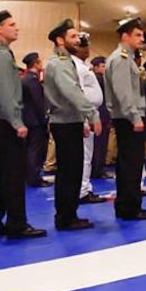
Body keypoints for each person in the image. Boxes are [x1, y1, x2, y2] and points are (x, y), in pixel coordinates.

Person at [0, 10, 46, 239]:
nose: (16, 28)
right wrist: (17, 122)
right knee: (13, 175)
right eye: (11, 24)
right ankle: (17, 224)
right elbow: (5, 92)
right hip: (3, 121)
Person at [43, 19, 100, 231]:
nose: (78, 40)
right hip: (65, 122)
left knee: (72, 171)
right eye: (73, 36)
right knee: (69, 171)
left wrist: (82, 119)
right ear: (60, 40)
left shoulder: (66, 62)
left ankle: (69, 214)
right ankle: (66, 217)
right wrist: (91, 114)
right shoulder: (59, 63)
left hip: (71, 120)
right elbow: (71, 92)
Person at [105, 18, 146, 221]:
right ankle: (130, 207)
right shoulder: (121, 59)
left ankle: (128, 205)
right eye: (137, 34)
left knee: (130, 163)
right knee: (131, 164)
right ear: (125, 36)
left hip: (127, 117)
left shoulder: (126, 58)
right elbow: (123, 92)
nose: (141, 38)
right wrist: (135, 117)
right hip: (128, 118)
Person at [73, 34, 107, 205]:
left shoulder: (82, 66)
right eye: (83, 46)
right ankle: (82, 191)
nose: (87, 49)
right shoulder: (76, 67)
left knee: (87, 154)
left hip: (90, 113)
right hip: (85, 115)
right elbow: (77, 93)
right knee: (84, 156)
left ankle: (85, 187)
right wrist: (85, 119)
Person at [21, 51, 51, 188]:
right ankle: (34, 178)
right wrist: (45, 118)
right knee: (35, 150)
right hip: (36, 121)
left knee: (31, 149)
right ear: (36, 64)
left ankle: (30, 176)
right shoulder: (32, 80)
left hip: (28, 119)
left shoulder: (24, 78)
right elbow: (38, 102)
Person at [90, 56, 113, 179]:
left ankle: (96, 168)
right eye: (102, 66)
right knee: (100, 144)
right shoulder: (99, 80)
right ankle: (98, 169)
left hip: (100, 114)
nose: (105, 69)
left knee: (97, 144)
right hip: (101, 115)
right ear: (95, 67)